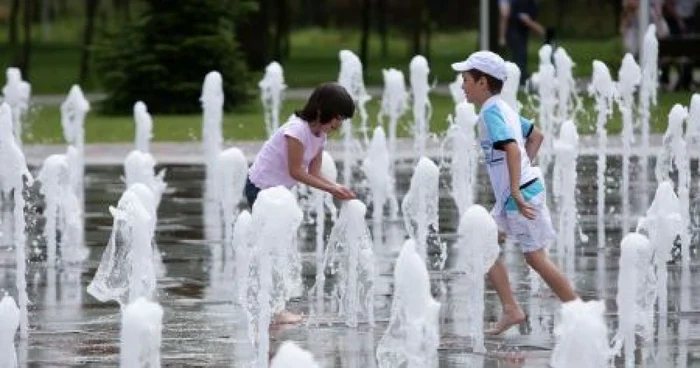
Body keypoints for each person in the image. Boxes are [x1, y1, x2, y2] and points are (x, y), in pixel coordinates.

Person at [451, 51, 578, 335]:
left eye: (466, 79)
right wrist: (520, 177)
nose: (462, 85)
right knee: (481, 242)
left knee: (536, 258)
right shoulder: (502, 108)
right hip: (516, 193)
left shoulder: (491, 113)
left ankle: (580, 312)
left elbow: (511, 147)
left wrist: (518, 189)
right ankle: (511, 309)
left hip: (519, 196)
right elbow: (536, 136)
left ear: (483, 82)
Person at [245, 82, 357, 323]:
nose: (339, 124)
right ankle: (273, 309)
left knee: (278, 248)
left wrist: (336, 187)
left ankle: (273, 306)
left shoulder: (320, 136)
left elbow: (314, 174)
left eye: (342, 119)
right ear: (322, 110)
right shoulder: (295, 131)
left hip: (277, 192)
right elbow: (296, 171)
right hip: (260, 189)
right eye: (338, 117)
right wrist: (331, 189)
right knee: (272, 249)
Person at [506, 0, 546, 85]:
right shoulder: (523, 2)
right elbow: (524, 18)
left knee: (522, 55)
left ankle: (522, 78)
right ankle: (519, 81)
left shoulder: (532, 3)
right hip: (514, 32)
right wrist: (539, 29)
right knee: (519, 55)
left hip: (522, 33)